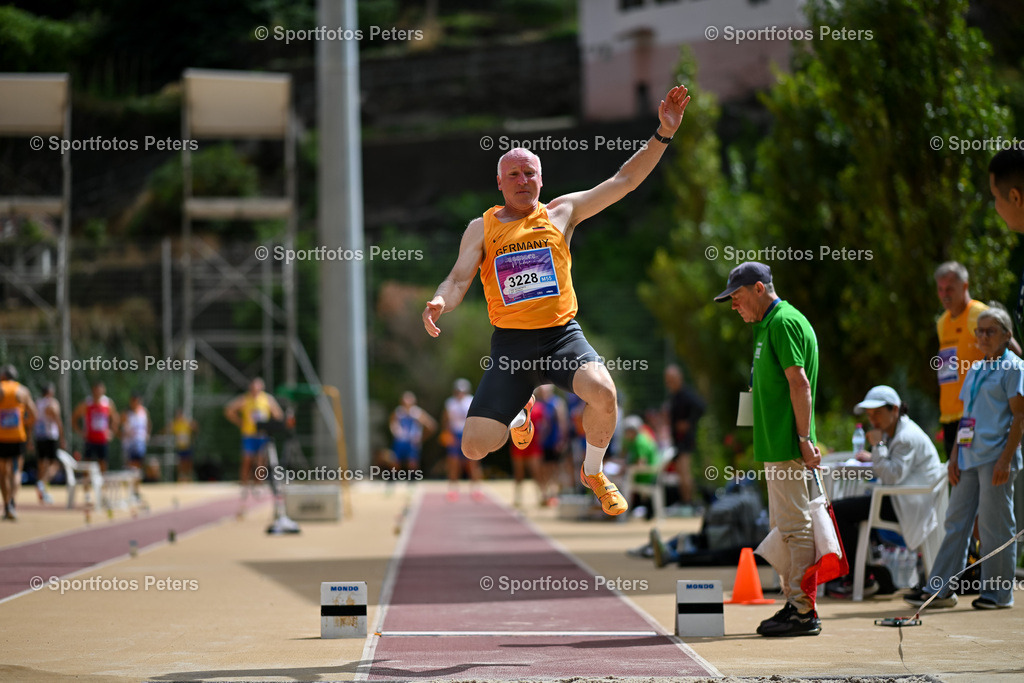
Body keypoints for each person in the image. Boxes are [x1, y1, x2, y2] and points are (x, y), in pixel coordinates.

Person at [422, 85, 691, 516]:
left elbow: (624, 181)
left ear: (541, 180)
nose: (523, 180)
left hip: (561, 339)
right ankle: (519, 414)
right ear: (499, 183)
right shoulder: (481, 228)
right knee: (473, 447)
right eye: (514, 174)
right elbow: (457, 280)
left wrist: (662, 133)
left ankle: (594, 472)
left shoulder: (562, 212)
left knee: (604, 392)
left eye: (530, 173)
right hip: (511, 346)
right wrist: (439, 301)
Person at [715, 261, 822, 637]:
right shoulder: (768, 325)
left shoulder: (782, 323)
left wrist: (805, 439)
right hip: (776, 443)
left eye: (737, 297)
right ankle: (794, 604)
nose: (733, 305)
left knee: (795, 527)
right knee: (784, 528)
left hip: (786, 443)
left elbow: (800, 383)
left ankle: (803, 610)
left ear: (759, 289)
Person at [906, 304, 1024, 610]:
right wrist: (955, 456)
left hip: (996, 457)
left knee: (994, 525)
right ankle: (939, 590)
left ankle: (997, 594)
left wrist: (1006, 458)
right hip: (968, 457)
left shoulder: (1013, 367)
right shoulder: (976, 367)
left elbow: (1019, 417)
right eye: (979, 331)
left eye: (991, 331)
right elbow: (965, 418)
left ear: (1007, 335)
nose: (983, 336)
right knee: (955, 520)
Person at [826, 386, 946, 598]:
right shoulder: (898, 433)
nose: (873, 420)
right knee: (846, 511)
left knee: (837, 511)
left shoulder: (904, 437)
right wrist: (875, 456)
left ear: (895, 410)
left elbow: (892, 476)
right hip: (904, 499)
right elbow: (892, 468)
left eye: (878, 413)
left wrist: (878, 446)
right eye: (870, 415)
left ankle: (862, 578)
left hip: (910, 503)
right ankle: (864, 575)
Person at [935, 262, 990, 459]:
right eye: (940, 289)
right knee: (956, 480)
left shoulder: (978, 314)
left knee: (967, 475)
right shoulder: (942, 322)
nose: (944, 294)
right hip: (948, 416)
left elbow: (1010, 350)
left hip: (971, 415)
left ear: (965, 286)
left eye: (950, 288)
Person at [224, 378, 283, 497]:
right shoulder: (245, 399)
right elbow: (229, 410)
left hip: (262, 434)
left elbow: (278, 415)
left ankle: (258, 485)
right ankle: (244, 485)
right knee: (247, 459)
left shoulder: (267, 399)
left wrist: (269, 424)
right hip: (249, 434)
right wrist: (240, 422)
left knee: (261, 461)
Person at [664, 364, 706, 508]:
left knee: (685, 472)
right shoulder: (674, 396)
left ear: (679, 378)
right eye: (668, 379)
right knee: (681, 473)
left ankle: (689, 502)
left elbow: (701, 407)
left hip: (685, 440)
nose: (670, 382)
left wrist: (689, 422)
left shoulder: (686, 394)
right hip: (677, 440)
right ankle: (686, 501)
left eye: (672, 379)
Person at [0, 366, 37, 520]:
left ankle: (7, 504)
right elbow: (34, 415)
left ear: (3, 376)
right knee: (16, 471)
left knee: (3, 473)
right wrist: (25, 424)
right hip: (18, 436)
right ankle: (13, 502)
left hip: (1, 437)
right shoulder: (23, 391)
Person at [442, 378, 482, 501]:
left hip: (468, 434)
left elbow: (476, 419)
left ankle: (476, 489)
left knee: (472, 463)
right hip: (455, 434)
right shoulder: (450, 403)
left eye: (462, 391)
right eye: (458, 390)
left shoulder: (471, 400)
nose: (460, 393)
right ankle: (453, 489)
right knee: (453, 463)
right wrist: (447, 434)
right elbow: (446, 420)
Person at [72, 381, 119, 474]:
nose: (98, 392)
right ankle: (86, 483)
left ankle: (102, 482)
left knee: (103, 461)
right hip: (90, 438)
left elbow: (115, 418)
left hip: (102, 439)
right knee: (87, 462)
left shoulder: (107, 403)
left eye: (100, 390)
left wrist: (112, 432)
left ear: (103, 390)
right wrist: (80, 432)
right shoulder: (87, 403)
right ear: (93, 390)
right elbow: (74, 418)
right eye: (96, 390)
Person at [621, 414, 660, 519]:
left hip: (645, 476)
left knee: (621, 482)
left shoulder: (640, 441)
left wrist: (626, 469)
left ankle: (622, 513)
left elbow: (641, 462)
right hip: (642, 474)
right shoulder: (635, 440)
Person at [510, 391, 545, 507]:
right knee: (519, 473)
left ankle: (542, 496)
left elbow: (544, 424)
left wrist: (541, 437)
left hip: (533, 444)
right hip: (519, 443)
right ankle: (518, 498)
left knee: (536, 471)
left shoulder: (539, 408)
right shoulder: (516, 407)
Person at [389, 391, 437, 475]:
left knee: (412, 461)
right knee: (395, 460)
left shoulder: (417, 412)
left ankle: (412, 480)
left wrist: (421, 437)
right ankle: (393, 479)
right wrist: (395, 431)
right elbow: (392, 422)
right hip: (400, 440)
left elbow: (431, 425)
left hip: (412, 440)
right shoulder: (398, 411)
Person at [32, 382, 64, 505]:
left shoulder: (37, 403)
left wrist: (30, 438)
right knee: (54, 465)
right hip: (50, 436)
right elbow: (57, 420)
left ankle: (43, 493)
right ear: (50, 392)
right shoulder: (52, 403)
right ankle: (42, 484)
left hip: (39, 436)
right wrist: (62, 437)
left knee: (41, 465)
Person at [537, 384, 569, 505]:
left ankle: (553, 494)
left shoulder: (556, 403)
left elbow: (562, 423)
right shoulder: (539, 403)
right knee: (543, 469)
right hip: (541, 442)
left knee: (554, 468)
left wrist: (561, 440)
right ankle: (545, 494)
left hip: (553, 441)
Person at [122, 393, 150, 496]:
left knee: (138, 467)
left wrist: (147, 435)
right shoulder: (127, 414)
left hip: (140, 442)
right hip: (130, 444)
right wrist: (123, 435)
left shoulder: (144, 412)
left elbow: (148, 425)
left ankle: (136, 489)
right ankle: (131, 489)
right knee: (130, 467)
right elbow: (120, 426)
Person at [168, 407, 198, 482]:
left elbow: (195, 428)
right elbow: (169, 429)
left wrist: (194, 426)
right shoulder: (176, 424)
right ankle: (181, 477)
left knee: (188, 462)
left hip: (187, 446)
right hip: (180, 446)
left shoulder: (187, 422)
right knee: (181, 463)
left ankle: (189, 477)